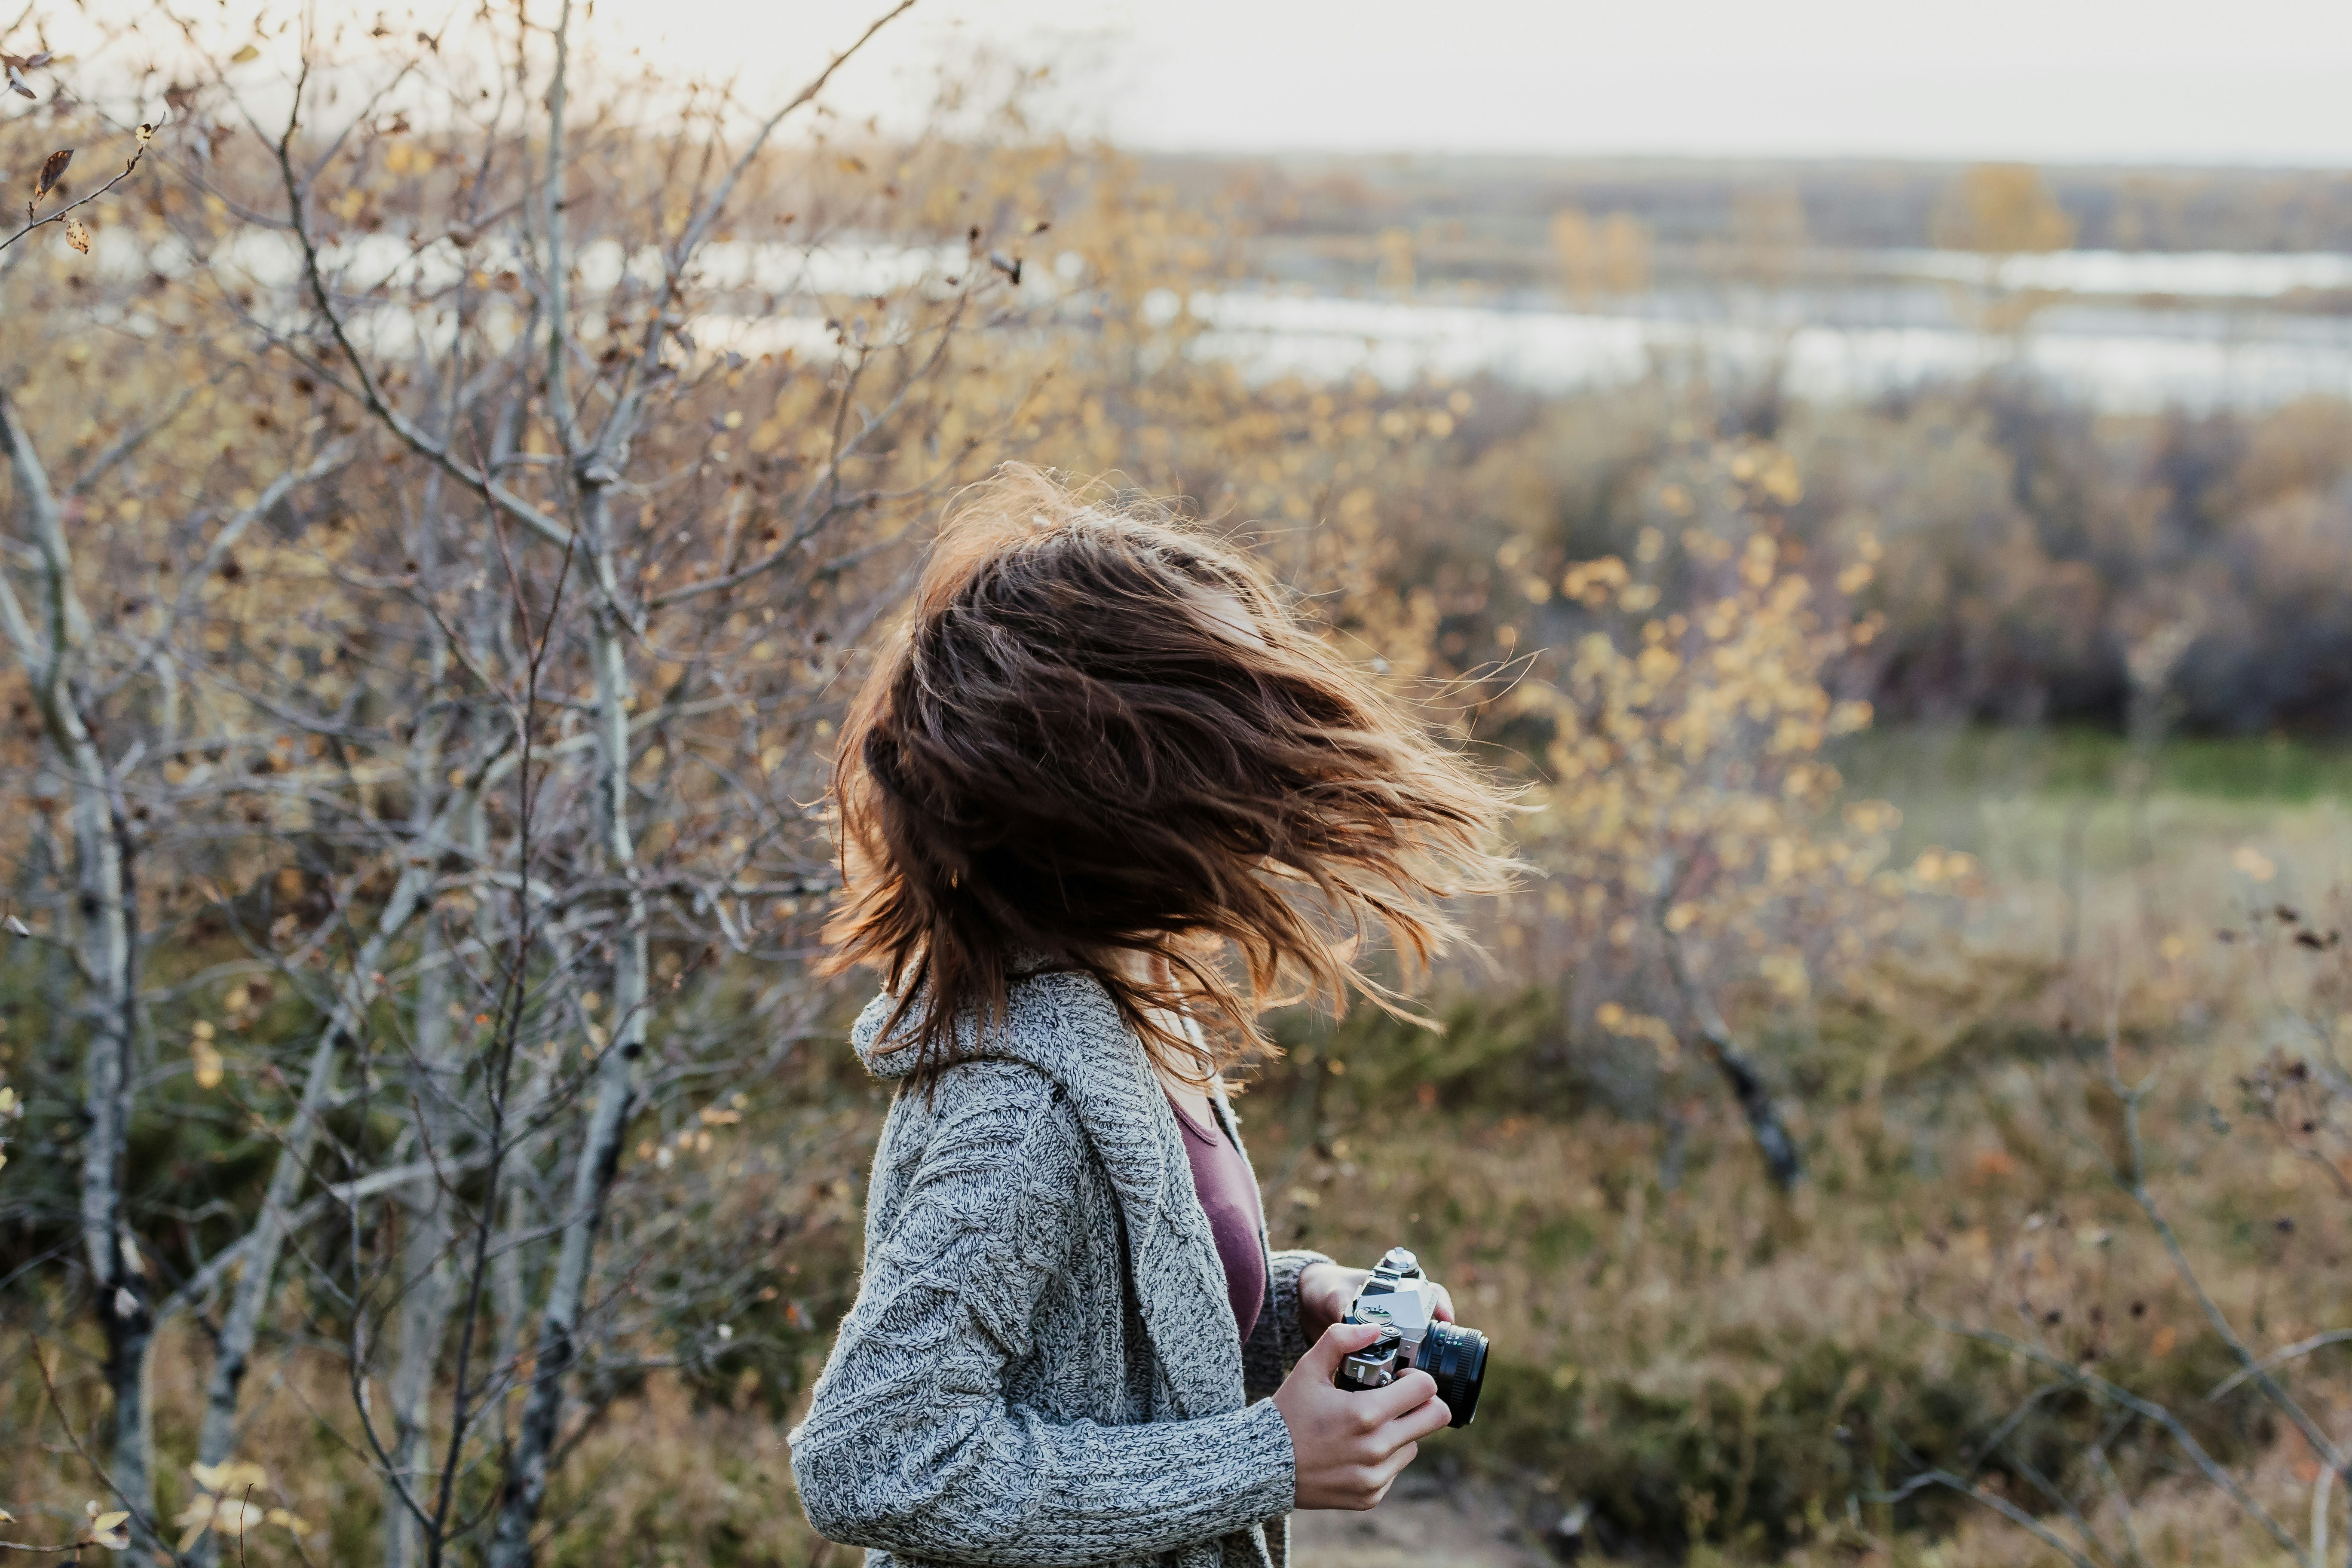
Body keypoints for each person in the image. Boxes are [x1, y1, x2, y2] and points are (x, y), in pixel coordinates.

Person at [787, 466, 1516, 1568]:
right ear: (1117, 789)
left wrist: (1290, 1301)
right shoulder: (1025, 1104)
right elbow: (870, 1460)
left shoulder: (1129, 1013)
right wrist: (1268, 1458)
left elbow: (1098, 1340)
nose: (1270, 770)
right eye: (1228, 729)